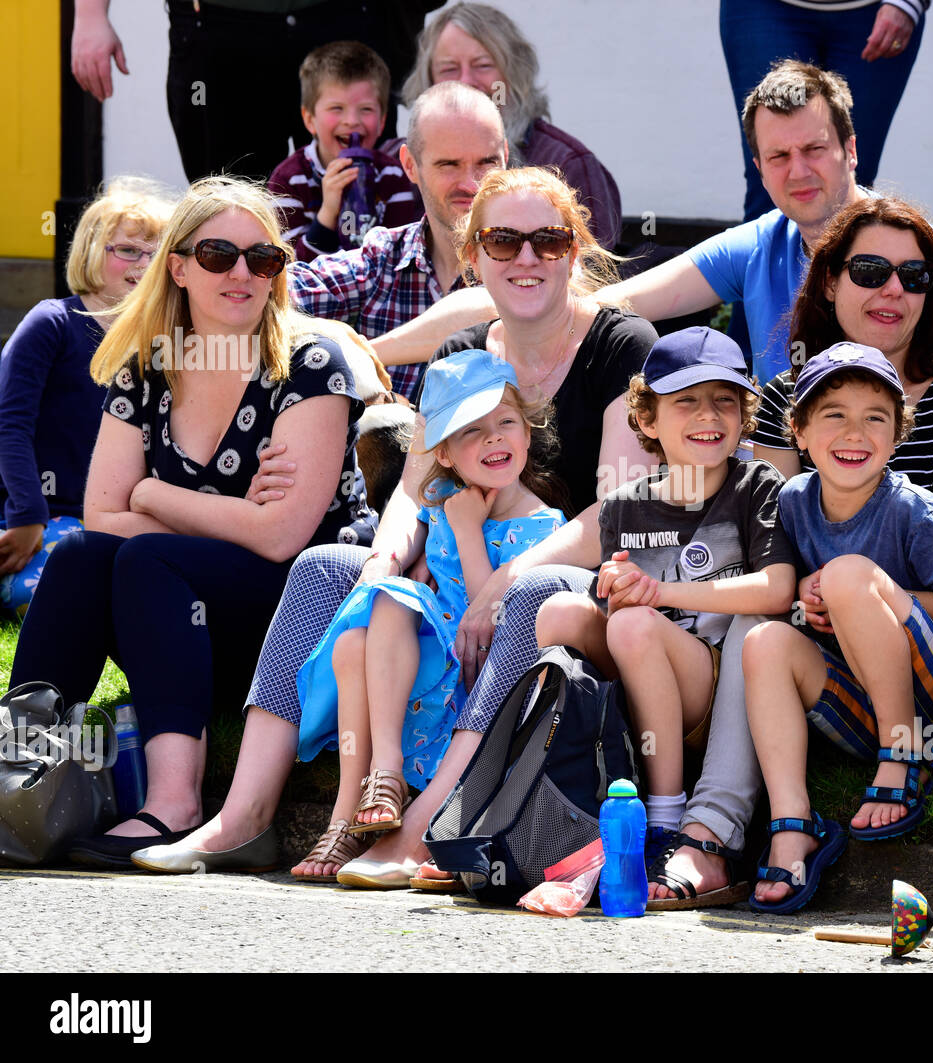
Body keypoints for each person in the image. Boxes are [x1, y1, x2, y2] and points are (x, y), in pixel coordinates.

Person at [130, 166, 656, 882]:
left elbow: (618, 510)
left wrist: (505, 576)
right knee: (325, 568)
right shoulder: (460, 352)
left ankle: (426, 822)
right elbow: (416, 489)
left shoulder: (623, 346)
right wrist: (384, 556)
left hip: (574, 586)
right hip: (470, 562)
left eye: (548, 240)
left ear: (574, 249)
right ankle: (243, 815)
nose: (526, 258)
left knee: (533, 596)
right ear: (472, 257)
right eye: (503, 241)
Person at [6, 176, 376, 869]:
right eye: (218, 256)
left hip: (290, 628)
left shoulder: (309, 366)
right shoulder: (145, 368)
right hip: (173, 617)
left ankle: (175, 801)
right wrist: (228, 513)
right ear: (177, 267)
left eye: (263, 259)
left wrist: (151, 490)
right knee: (83, 555)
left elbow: (281, 537)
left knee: (145, 558)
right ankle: (16, 771)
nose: (242, 272)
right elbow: (99, 515)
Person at [369, 59, 933, 386]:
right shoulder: (758, 244)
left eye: (814, 150)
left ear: (851, 149)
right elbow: (593, 303)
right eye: (779, 157)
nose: (799, 171)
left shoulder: (916, 246)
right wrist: (371, 353)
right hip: (781, 482)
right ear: (758, 169)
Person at [533, 327, 797, 906]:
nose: (710, 415)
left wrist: (658, 592)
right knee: (558, 614)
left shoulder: (757, 485)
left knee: (633, 621)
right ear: (647, 420)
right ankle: (573, 787)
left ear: (745, 413)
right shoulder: (625, 504)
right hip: (643, 679)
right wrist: (616, 589)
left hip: (716, 686)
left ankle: (664, 818)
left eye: (725, 400)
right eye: (686, 401)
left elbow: (778, 591)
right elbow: (619, 609)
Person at [291, 350, 565, 881]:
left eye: (505, 423)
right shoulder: (438, 511)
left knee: (386, 611)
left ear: (528, 434)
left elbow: (500, 622)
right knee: (367, 624)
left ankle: (371, 792)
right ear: (442, 455)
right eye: (470, 431)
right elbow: (417, 578)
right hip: (425, 677)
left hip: (477, 688)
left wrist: (466, 532)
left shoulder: (544, 529)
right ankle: (368, 791)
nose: (493, 439)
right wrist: (434, 536)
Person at [744, 344, 933, 913]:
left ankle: (904, 756)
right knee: (765, 641)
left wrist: (873, 589)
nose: (855, 432)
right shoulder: (792, 502)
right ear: (799, 433)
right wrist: (809, 593)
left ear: (897, 435)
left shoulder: (913, 509)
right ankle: (793, 821)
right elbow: (787, 597)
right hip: (862, 706)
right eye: (834, 415)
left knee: (849, 574)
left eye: (875, 418)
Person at [752, 196, 933, 576]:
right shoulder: (784, 397)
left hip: (919, 628)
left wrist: (856, 592)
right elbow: (772, 556)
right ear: (830, 282)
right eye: (870, 271)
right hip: (803, 620)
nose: (893, 289)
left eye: (913, 275)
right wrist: (807, 595)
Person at [0, 177, 174, 617]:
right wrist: (26, 515)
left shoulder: (163, 343)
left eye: (155, 254)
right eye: (129, 250)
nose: (143, 263)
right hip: (40, 515)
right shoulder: (51, 322)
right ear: (92, 252)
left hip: (116, 521)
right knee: (51, 591)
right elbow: (10, 425)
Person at [289, 80, 508, 401]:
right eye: (449, 164)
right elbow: (276, 290)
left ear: (505, 156)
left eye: (486, 162)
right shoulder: (382, 258)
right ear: (409, 165)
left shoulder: (536, 256)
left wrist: (362, 354)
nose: (471, 183)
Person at [70, 0, 442, 181]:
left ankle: (350, 336)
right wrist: (89, 15)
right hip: (218, 26)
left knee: (359, 206)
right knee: (227, 213)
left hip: (346, 18)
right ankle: (239, 336)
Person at [395, 2, 622, 249]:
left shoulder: (569, 164)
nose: (466, 81)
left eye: (483, 65)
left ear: (513, 74)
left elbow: (593, 279)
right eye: (449, 68)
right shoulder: (396, 162)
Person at [719, 0, 929, 221]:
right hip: (763, 8)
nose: (800, 172)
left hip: (873, 10)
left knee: (851, 178)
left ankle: (846, 255)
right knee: (772, 179)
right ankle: (769, 255)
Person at [268, 40, 420, 262]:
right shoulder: (288, 181)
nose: (351, 121)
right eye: (336, 108)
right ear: (310, 120)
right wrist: (328, 214)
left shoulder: (393, 176)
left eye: (366, 109)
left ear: (382, 121)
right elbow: (288, 271)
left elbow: (401, 257)